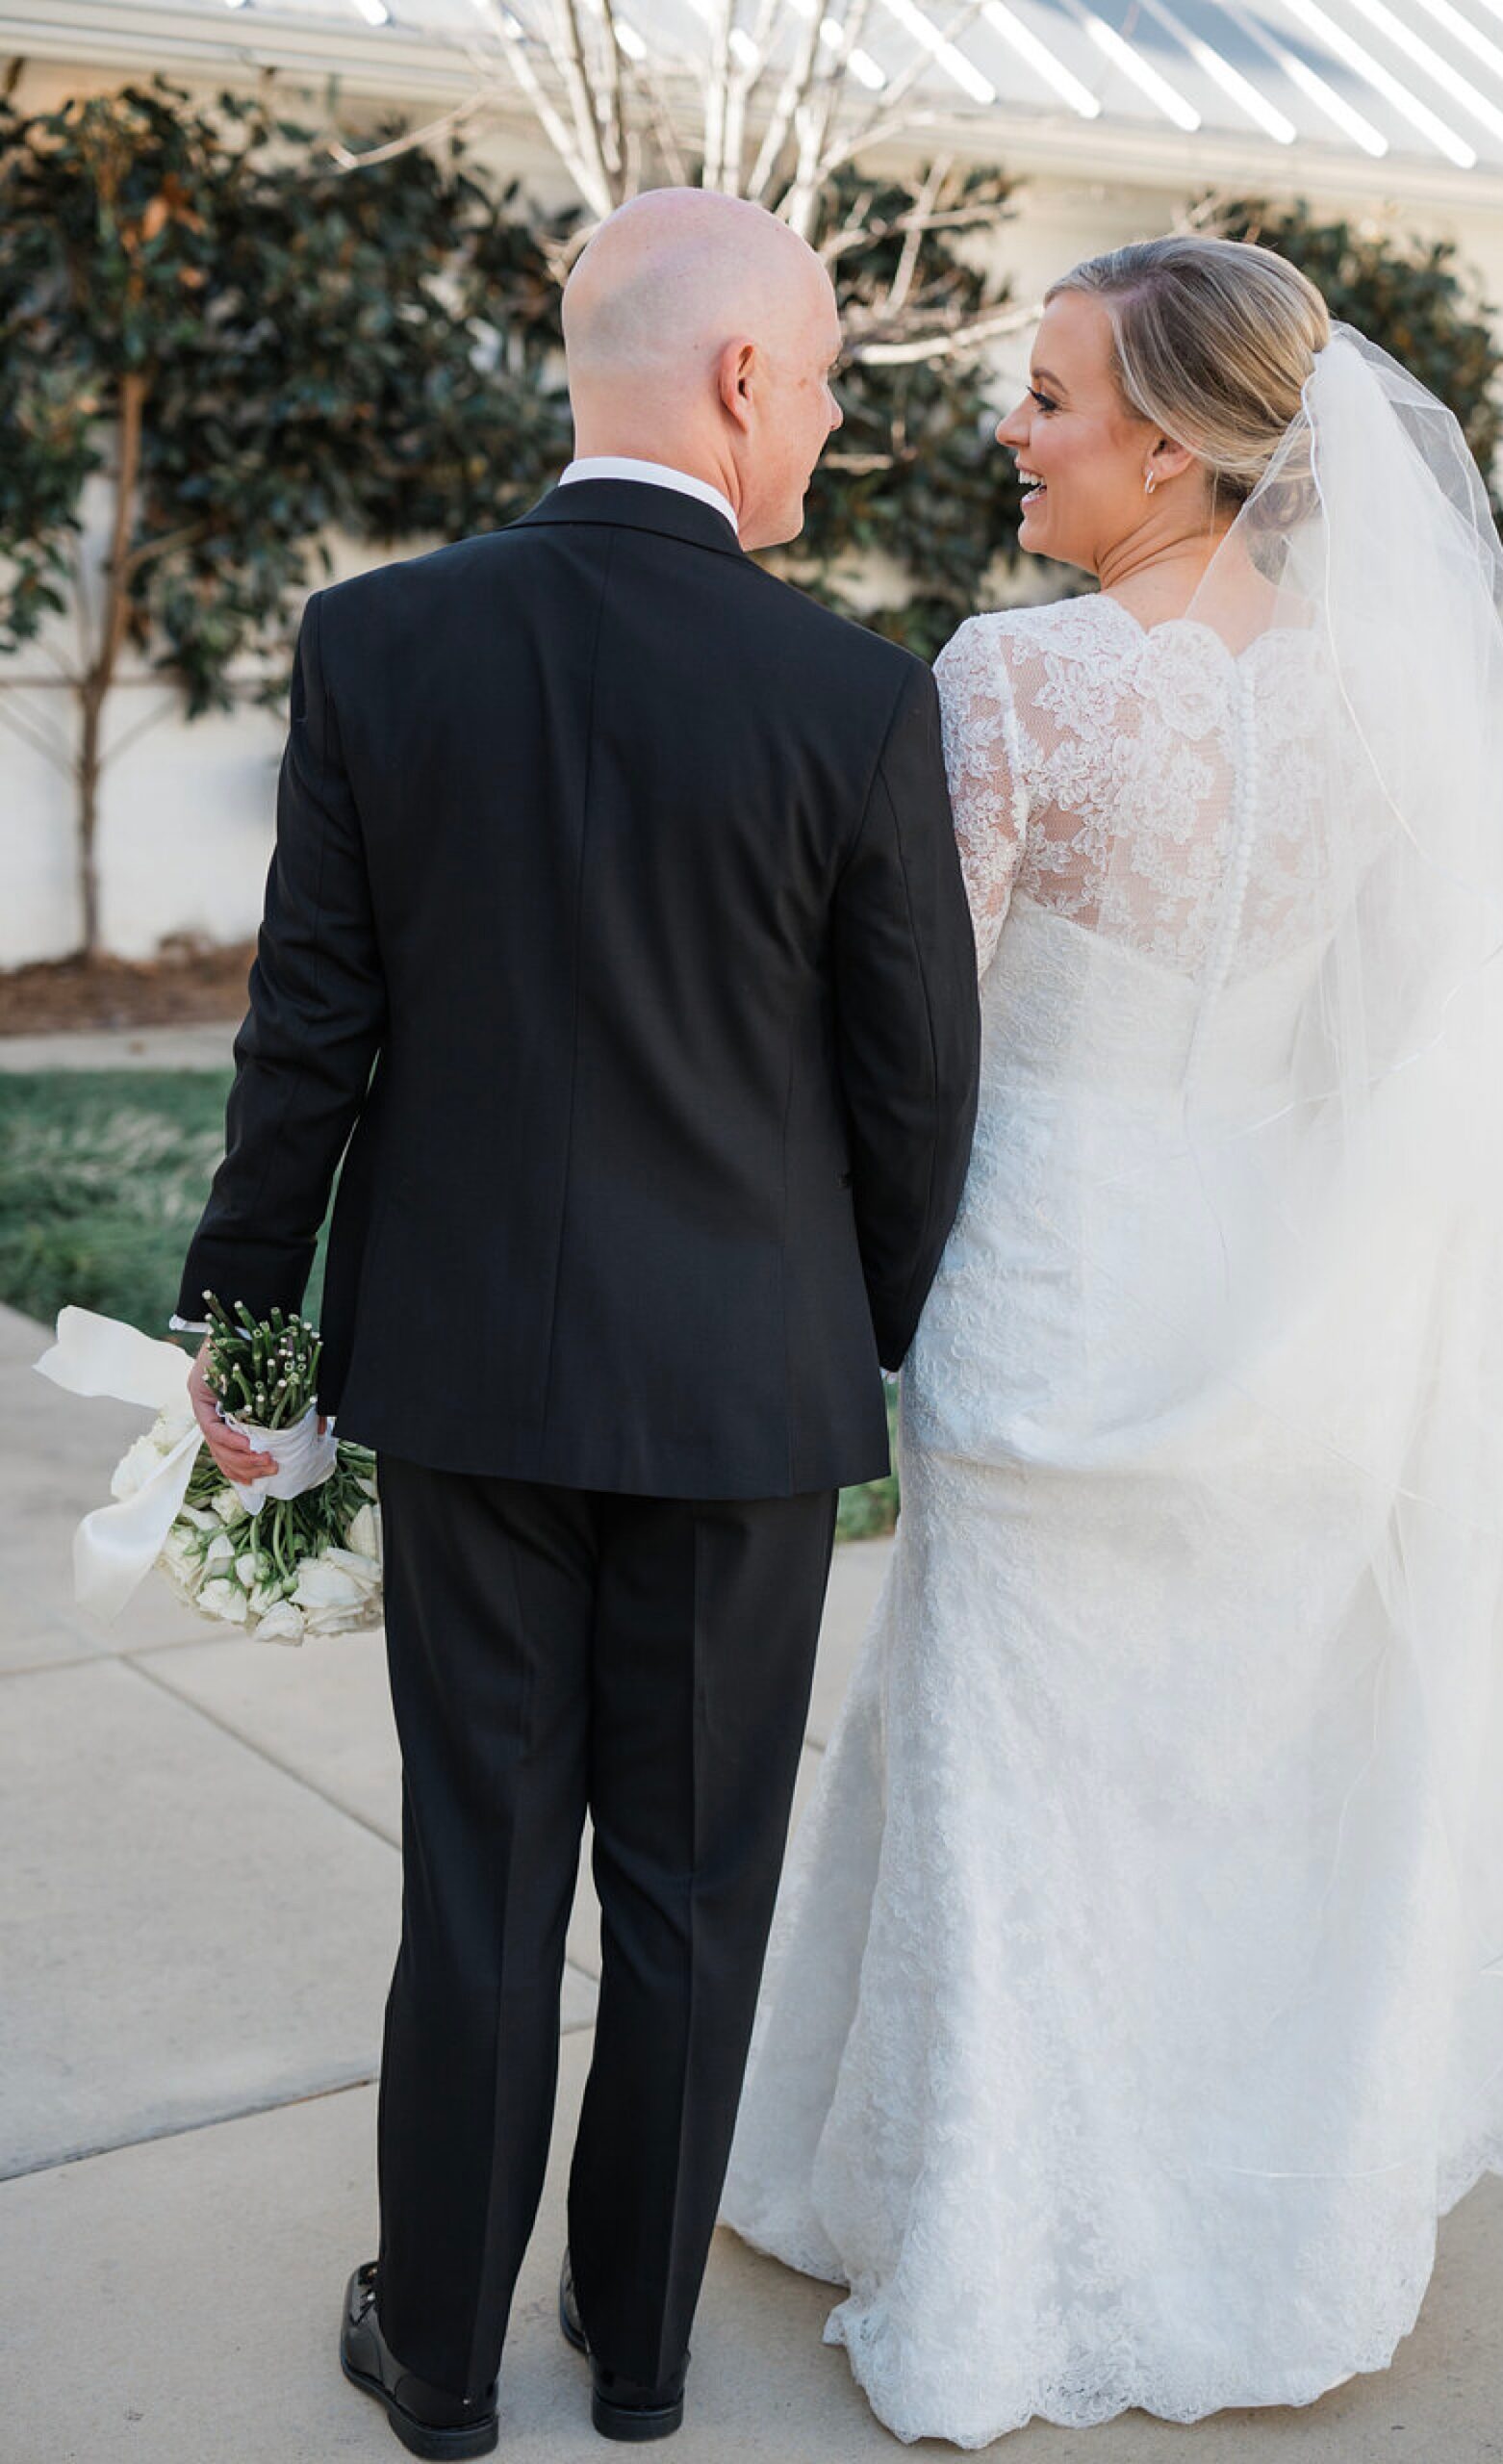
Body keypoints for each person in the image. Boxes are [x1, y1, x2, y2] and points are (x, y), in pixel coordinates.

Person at [722, 235, 1503, 2446]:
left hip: (1045, 1277)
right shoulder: (1394, 699)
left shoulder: (1013, 680)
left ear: (1169, 437)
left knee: (1021, 1774)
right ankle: (1257, 2230)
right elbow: (1425, 1027)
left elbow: (908, 1036)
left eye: (1047, 398)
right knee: (1250, 1780)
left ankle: (1003, 2236)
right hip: (1298, 1296)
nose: (1010, 432)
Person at [174, 187, 980, 2458]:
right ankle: (634, 2352)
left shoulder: (379, 643)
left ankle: (436, 2359)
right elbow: (917, 1095)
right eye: (822, 377)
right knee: (697, 1894)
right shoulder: (852, 691)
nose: (825, 422)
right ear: (737, 379)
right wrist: (850, 1331)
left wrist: (249, 1352)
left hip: (466, 1390)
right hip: (742, 1401)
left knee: (481, 1877)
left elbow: (303, 1039)